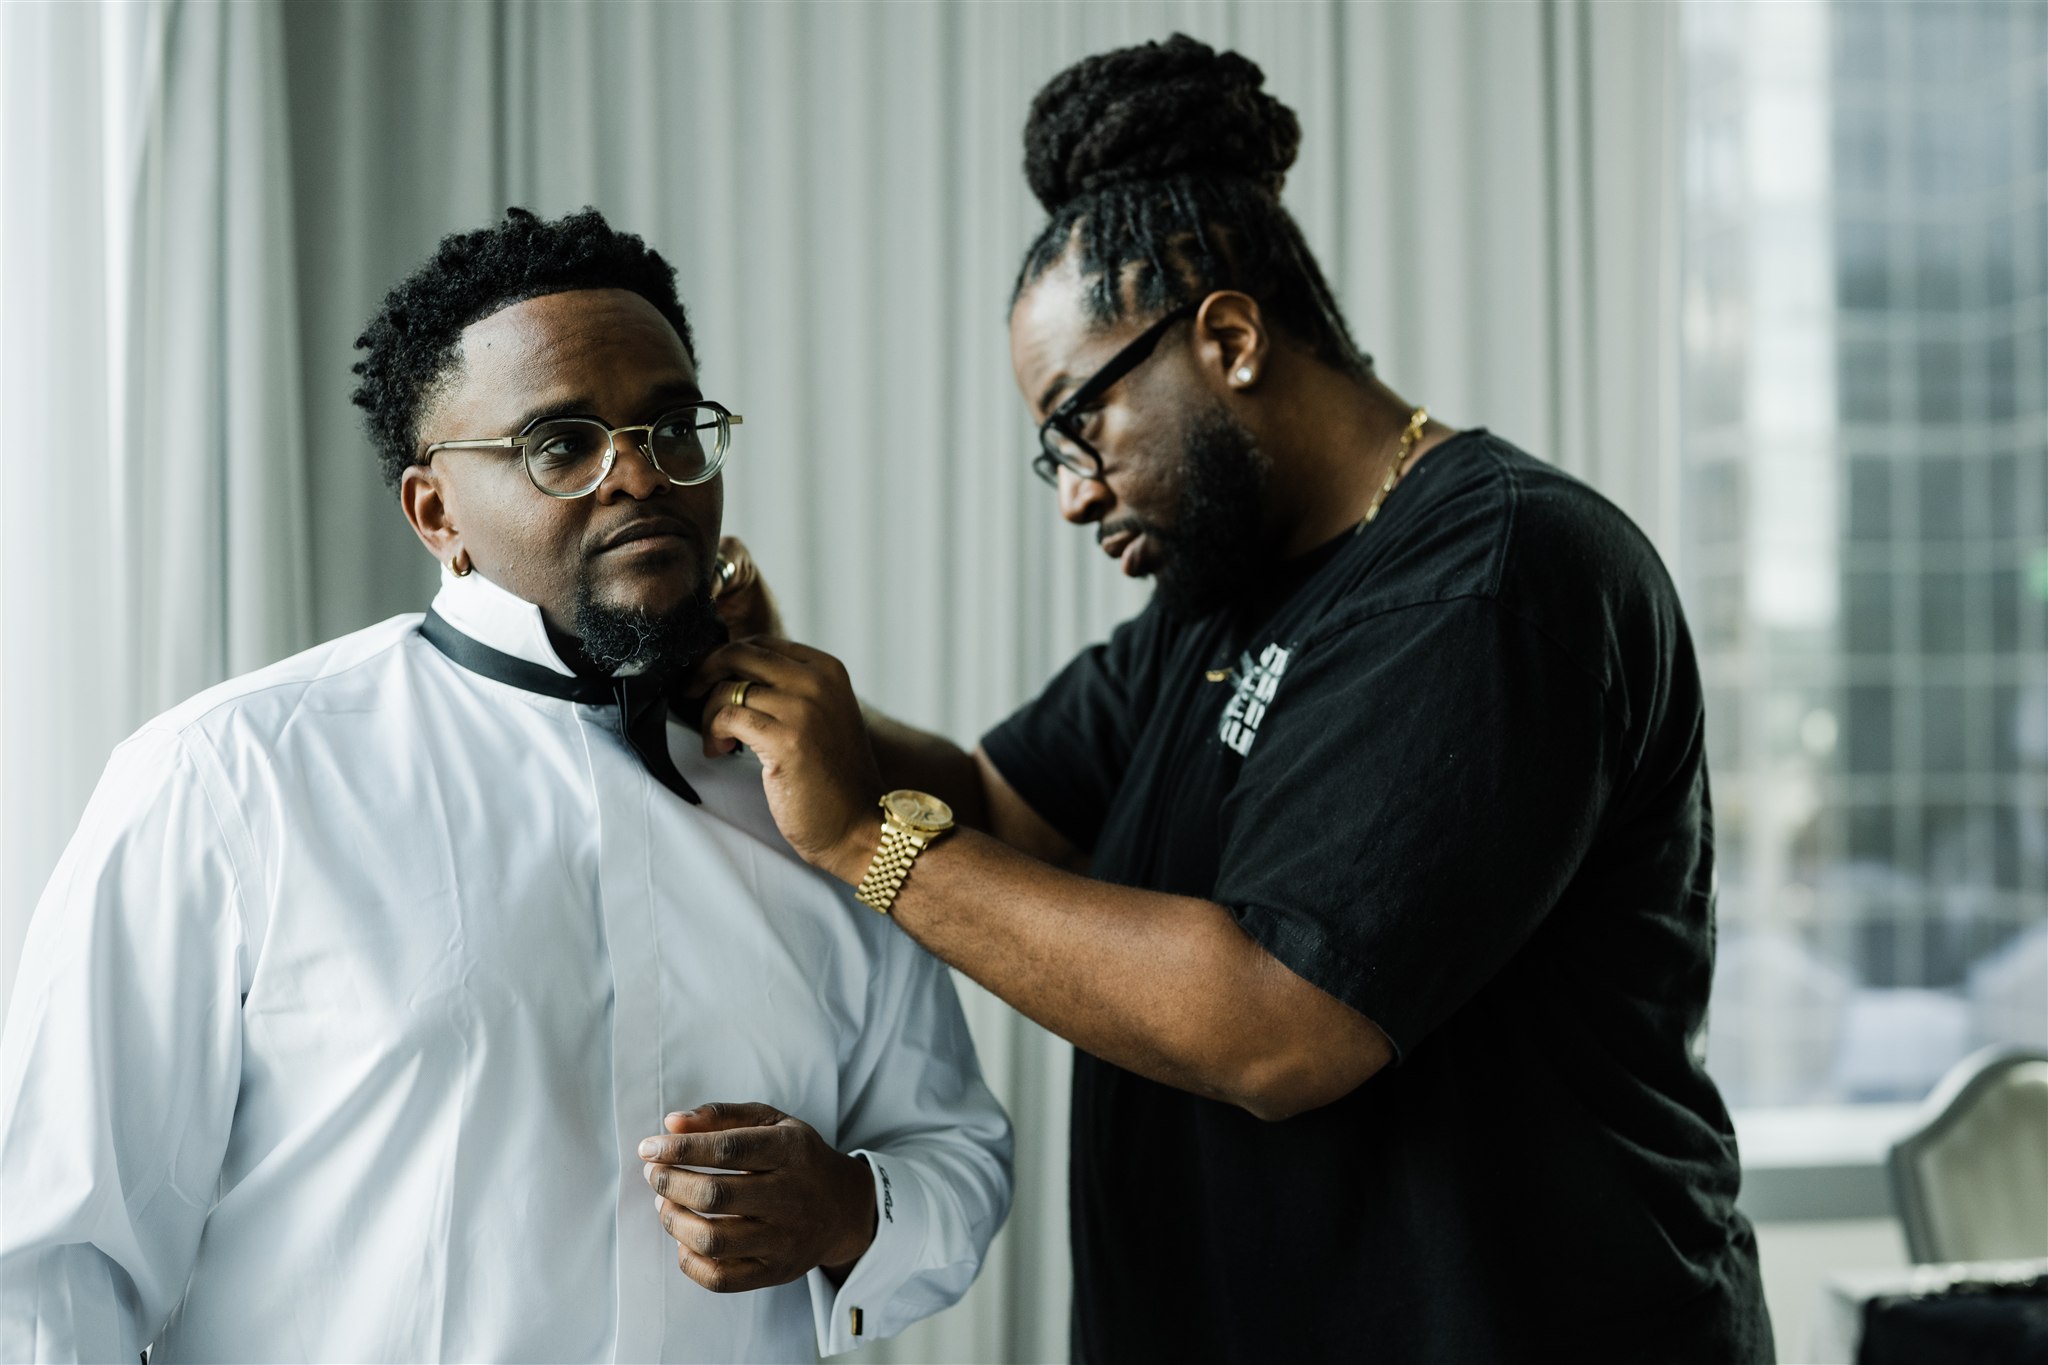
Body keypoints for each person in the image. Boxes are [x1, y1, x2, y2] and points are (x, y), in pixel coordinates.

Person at [690, 35, 1773, 1363]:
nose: (1075, 492)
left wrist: (869, 842)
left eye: (1080, 423)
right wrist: (781, 689)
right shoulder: (1221, 594)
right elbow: (1004, 810)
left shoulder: (1490, 580)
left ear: (1229, 338)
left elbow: (1277, 1028)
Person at [0, 207, 1011, 1363]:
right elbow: (56, 1266)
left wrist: (848, 1209)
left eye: (671, 427)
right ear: (436, 513)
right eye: (561, 444)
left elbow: (956, 1150)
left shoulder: (815, 800)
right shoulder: (230, 780)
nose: (642, 473)